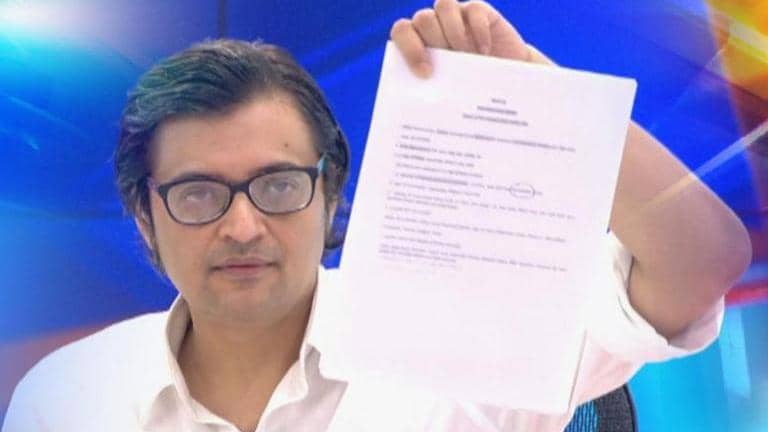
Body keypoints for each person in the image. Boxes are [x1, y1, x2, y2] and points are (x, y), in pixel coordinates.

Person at [2, 1, 751, 431]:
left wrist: (540, 92)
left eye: (277, 185)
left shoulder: (461, 337)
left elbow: (702, 260)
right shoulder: (67, 394)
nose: (242, 227)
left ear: (330, 195)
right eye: (198, 194)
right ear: (145, 218)